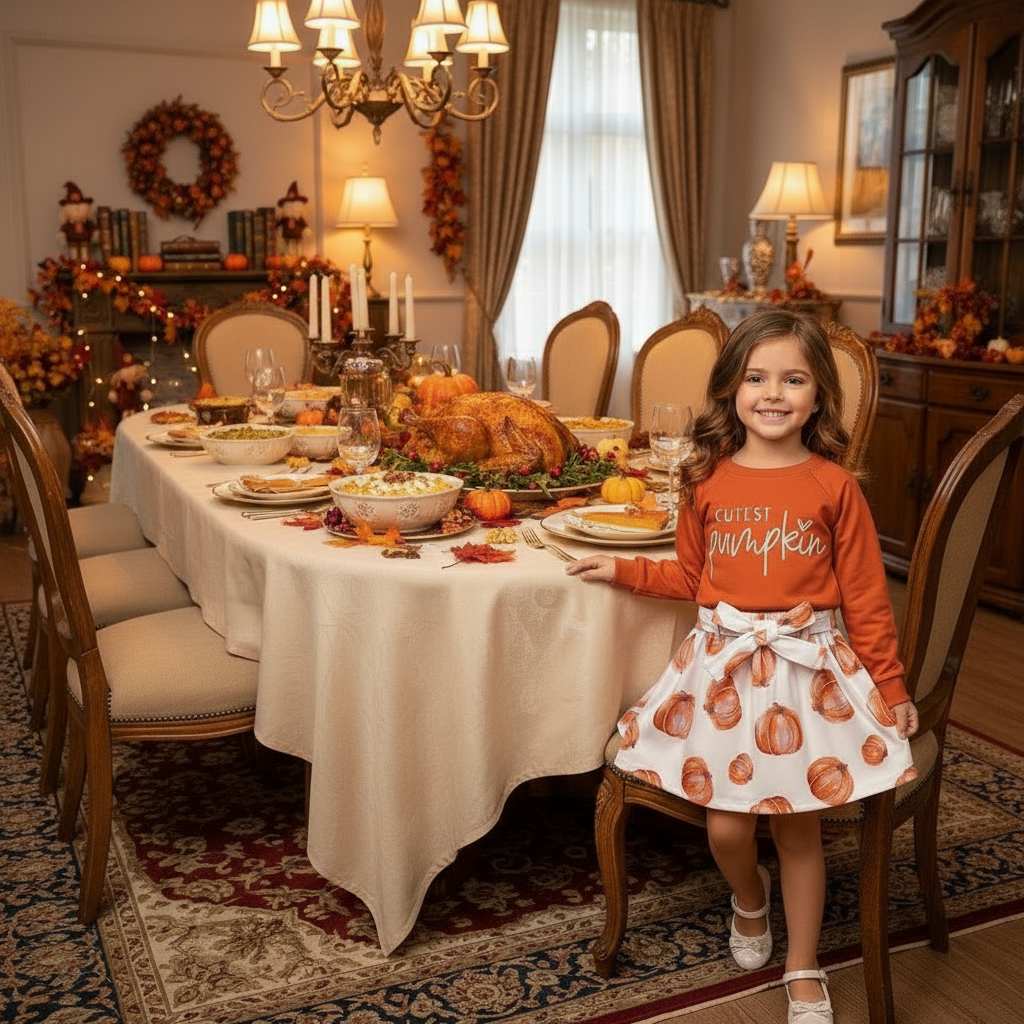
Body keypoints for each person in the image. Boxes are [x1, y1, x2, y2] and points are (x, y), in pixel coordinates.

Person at [566, 310, 919, 1024]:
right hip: (722, 672)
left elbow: (866, 598)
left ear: (819, 397)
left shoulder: (835, 486)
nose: (773, 393)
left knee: (798, 829)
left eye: (794, 380)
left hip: (804, 673)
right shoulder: (707, 480)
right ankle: (750, 898)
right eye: (757, 377)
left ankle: (803, 964)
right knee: (727, 830)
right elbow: (691, 578)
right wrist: (622, 569)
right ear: (731, 389)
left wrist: (890, 683)